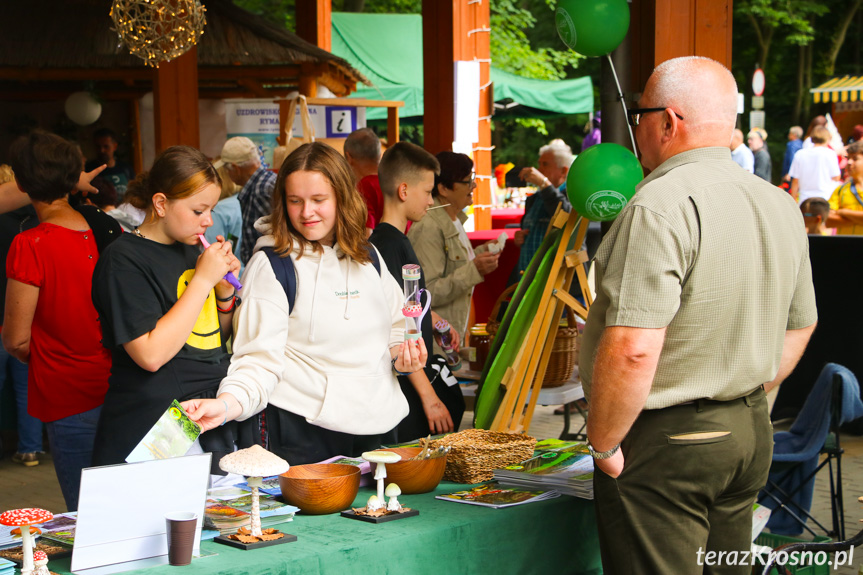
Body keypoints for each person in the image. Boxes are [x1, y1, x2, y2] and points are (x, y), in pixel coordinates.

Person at [580, 56, 817, 574]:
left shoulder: (657, 204)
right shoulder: (779, 204)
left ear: (668, 121)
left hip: (671, 437)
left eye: (639, 113)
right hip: (749, 429)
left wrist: (602, 443)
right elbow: (802, 323)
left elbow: (634, 348)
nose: (635, 125)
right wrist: (744, 383)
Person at [182, 142, 427, 465]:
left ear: (342, 197)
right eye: (295, 201)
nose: (306, 212)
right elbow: (256, 360)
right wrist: (228, 404)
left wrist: (403, 357)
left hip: (380, 428)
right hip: (302, 431)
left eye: (318, 200)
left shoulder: (370, 257)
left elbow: (396, 330)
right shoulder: (273, 265)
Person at [90, 146, 242, 477]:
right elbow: (151, 354)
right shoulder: (124, 259)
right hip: (159, 420)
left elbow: (215, 340)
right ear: (161, 204)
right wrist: (202, 281)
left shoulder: (192, 250)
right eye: (199, 210)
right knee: (167, 523)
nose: (208, 221)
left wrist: (225, 295)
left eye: (211, 209)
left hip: (209, 413)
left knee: (221, 522)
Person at [3, 131, 119, 511]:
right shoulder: (106, 228)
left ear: (20, 183)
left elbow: (16, 339)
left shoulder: (32, 243)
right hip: (121, 382)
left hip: (67, 389)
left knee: (87, 511)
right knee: (123, 502)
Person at [369, 142, 465, 439]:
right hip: (406, 388)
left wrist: (432, 319)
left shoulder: (391, 241)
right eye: (427, 192)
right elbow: (396, 332)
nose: (430, 201)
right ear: (404, 191)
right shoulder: (390, 247)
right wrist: (430, 399)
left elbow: (407, 307)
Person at [407, 152, 500, 356]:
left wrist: (482, 252)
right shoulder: (429, 227)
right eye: (468, 181)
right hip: (437, 345)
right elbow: (426, 292)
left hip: (451, 338)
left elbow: (453, 265)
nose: (473, 186)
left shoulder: (453, 219)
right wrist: (474, 269)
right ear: (444, 188)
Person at [0, 165, 40, 467]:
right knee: (26, 387)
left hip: (3, 317)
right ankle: (31, 447)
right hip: (30, 315)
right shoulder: (34, 221)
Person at [513, 139, 573, 277]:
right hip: (529, 279)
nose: (539, 170)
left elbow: (565, 217)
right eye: (539, 164)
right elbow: (528, 231)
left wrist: (544, 183)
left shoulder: (573, 195)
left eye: (545, 164)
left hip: (558, 283)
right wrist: (520, 237)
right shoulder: (535, 197)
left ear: (563, 171)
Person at [214, 137, 276, 265]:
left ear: (235, 169)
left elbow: (273, 240)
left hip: (265, 269)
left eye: (227, 170)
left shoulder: (261, 191)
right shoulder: (266, 182)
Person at [344, 128, 384, 235]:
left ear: (348, 158)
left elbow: (367, 234)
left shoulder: (365, 187)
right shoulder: (393, 180)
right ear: (379, 155)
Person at [788, 125, 842, 204]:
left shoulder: (800, 154)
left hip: (804, 198)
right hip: (825, 197)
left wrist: (793, 200)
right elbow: (836, 177)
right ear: (827, 138)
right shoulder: (830, 154)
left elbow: (795, 180)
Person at [85, 128, 135, 199]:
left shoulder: (126, 169)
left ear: (115, 146)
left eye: (106, 146)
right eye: (98, 147)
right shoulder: (90, 170)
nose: (102, 150)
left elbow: (134, 193)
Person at [827, 140, 863, 235]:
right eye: (848, 158)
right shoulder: (840, 190)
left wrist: (844, 212)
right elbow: (828, 220)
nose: (850, 162)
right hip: (846, 247)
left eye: (855, 159)